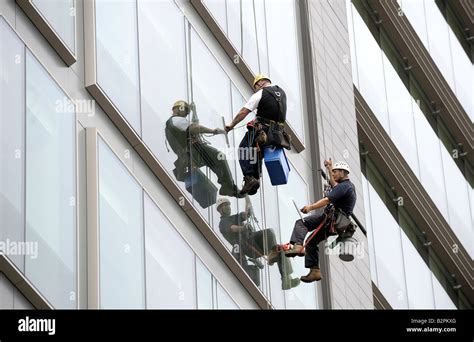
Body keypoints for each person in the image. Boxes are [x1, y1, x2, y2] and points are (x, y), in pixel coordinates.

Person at [285, 160, 357, 283]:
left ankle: (297, 246)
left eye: (335, 172)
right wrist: (330, 168)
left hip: (331, 219)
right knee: (310, 242)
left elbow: (327, 200)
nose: (333, 175)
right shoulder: (347, 186)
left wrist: (310, 207)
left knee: (302, 223)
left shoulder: (345, 187)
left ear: (343, 172)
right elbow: (335, 186)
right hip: (331, 220)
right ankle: (315, 271)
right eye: (332, 173)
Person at [225, 74, 290, 196]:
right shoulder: (282, 93)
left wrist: (231, 125)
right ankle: (255, 180)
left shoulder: (261, 93)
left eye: (256, 87)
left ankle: (249, 178)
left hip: (263, 129)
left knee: (243, 149)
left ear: (260, 84)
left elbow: (244, 111)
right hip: (277, 135)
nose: (256, 89)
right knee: (256, 153)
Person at [216, 196, 300, 290]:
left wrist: (246, 197)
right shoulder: (223, 223)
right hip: (246, 244)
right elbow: (232, 228)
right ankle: (272, 254)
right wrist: (243, 228)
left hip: (252, 240)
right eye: (225, 205)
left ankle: (287, 280)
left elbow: (247, 213)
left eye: (228, 205)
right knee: (269, 232)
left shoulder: (234, 217)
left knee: (280, 249)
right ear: (220, 209)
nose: (228, 207)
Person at [165, 100, 241, 197]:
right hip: (194, 149)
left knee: (217, 163)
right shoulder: (175, 119)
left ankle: (227, 186)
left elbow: (193, 125)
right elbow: (194, 127)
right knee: (219, 157)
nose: (186, 113)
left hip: (190, 153)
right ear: (177, 108)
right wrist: (213, 131)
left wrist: (195, 111)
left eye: (188, 112)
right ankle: (229, 187)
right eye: (185, 110)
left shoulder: (175, 122)